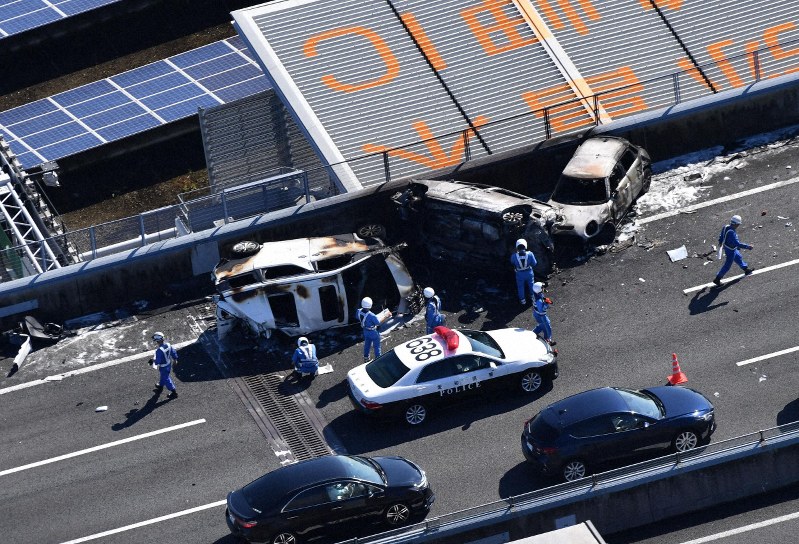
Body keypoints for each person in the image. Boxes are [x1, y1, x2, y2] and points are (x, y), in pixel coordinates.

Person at [713, 215, 754, 287]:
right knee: (727, 265)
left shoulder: (726, 227)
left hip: (729, 247)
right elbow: (737, 243)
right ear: (735, 224)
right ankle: (717, 279)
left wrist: (720, 241)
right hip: (730, 250)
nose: (738, 226)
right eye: (738, 224)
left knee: (738, 257)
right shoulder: (732, 233)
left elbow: (721, 235)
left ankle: (746, 269)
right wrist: (748, 247)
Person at [151, 332, 178, 399]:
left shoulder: (159, 351)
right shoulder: (168, 345)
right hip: (168, 364)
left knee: (166, 379)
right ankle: (160, 385)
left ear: (157, 341)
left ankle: (174, 392)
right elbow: (173, 352)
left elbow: (157, 362)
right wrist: (175, 359)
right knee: (163, 376)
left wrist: (152, 360)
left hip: (163, 367)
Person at [510, 238, 537, 304]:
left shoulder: (513, 256)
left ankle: (522, 300)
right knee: (531, 285)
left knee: (520, 287)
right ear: (525, 246)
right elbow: (534, 263)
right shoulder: (530, 254)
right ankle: (533, 298)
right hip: (529, 272)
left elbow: (512, 263)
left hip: (519, 274)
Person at [355, 297, 381, 363]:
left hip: (365, 330)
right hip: (373, 332)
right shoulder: (371, 315)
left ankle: (366, 357)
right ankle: (378, 359)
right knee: (377, 346)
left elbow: (356, 317)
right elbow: (378, 322)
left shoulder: (358, 311)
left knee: (367, 344)